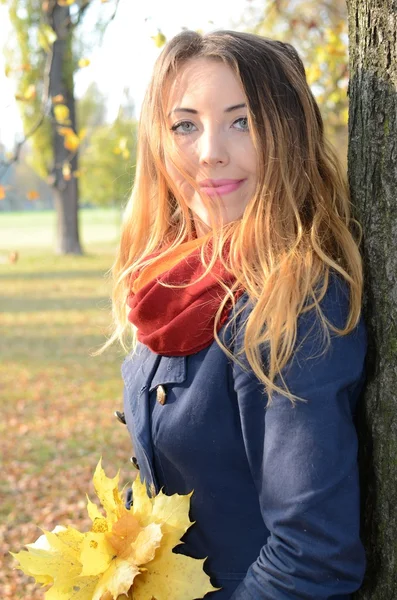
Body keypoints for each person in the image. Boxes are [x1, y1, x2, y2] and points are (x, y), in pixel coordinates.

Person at [107, 30, 367, 599]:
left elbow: (313, 556)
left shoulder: (292, 304)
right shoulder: (169, 286)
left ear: (289, 135)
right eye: (185, 125)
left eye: (242, 121)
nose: (211, 152)